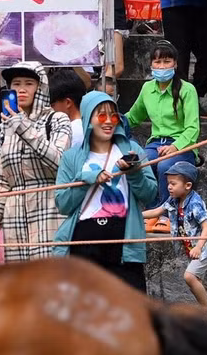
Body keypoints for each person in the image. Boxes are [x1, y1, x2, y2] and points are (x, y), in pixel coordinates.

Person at [52, 91, 156, 291]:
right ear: (88, 118)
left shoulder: (132, 149)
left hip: (124, 239)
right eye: (101, 115)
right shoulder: (71, 157)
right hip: (84, 240)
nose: (108, 121)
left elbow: (150, 194)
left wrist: (134, 173)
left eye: (113, 116)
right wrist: (86, 179)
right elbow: (63, 204)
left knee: (130, 303)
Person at [0, 61, 73, 263]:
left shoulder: (57, 119)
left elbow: (59, 162)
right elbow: (1, 182)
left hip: (49, 211)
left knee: (50, 277)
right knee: (21, 281)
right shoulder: (7, 127)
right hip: (14, 218)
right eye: (16, 84)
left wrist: (22, 126)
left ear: (41, 87)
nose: (21, 89)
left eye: (29, 84)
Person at [125, 39, 200, 210]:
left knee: (165, 165)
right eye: (157, 62)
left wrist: (175, 147)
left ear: (175, 64)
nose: (162, 66)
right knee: (141, 163)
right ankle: (152, 211)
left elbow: (193, 128)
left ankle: (165, 214)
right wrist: (113, 121)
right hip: (155, 144)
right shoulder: (147, 89)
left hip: (182, 146)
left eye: (167, 61)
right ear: (151, 64)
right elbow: (133, 117)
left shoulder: (187, 89)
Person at [142, 162, 207, 312]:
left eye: (173, 184)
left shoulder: (194, 203)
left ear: (188, 185)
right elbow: (157, 211)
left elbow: (206, 227)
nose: (169, 187)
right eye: (168, 183)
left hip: (205, 247)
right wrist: (134, 215)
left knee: (190, 277)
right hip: (190, 247)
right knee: (195, 280)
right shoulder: (173, 200)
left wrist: (198, 247)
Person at [48, 68, 86, 145]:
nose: (51, 109)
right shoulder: (90, 126)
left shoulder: (68, 131)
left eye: (53, 105)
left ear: (68, 103)